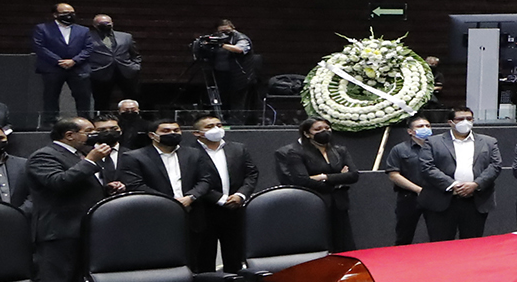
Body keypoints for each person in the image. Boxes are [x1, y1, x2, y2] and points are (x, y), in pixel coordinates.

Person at [26, 118, 110, 282]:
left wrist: (107, 189)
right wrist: (90, 161)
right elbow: (58, 182)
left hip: (84, 230)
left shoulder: (79, 154)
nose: (94, 135)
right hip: (59, 231)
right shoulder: (44, 155)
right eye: (89, 131)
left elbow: (81, 186)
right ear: (70, 135)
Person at [274, 117, 358, 251]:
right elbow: (302, 180)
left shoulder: (339, 150)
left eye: (327, 128)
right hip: (314, 202)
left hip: (339, 203)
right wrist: (338, 178)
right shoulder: (296, 152)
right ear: (307, 134)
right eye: (318, 129)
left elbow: (353, 175)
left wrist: (323, 177)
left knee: (343, 244)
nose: (324, 131)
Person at [189, 116, 258, 272]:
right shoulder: (189, 153)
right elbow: (192, 181)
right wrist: (220, 199)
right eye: (209, 126)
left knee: (235, 255)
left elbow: (251, 174)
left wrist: (241, 195)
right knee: (204, 256)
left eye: (219, 125)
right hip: (204, 211)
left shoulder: (238, 148)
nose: (216, 129)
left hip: (235, 208)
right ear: (197, 133)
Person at [423, 107, 500, 240]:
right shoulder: (433, 142)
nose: (465, 122)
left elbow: (495, 165)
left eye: (469, 119)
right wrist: (453, 185)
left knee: (472, 244)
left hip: (475, 200)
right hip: (443, 200)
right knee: (441, 244)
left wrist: (476, 184)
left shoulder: (489, 142)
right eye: (460, 119)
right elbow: (427, 166)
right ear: (450, 122)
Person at [119, 118, 218, 219]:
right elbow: (135, 185)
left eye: (176, 130)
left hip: (191, 210)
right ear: (152, 135)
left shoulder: (194, 153)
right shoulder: (134, 157)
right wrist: (169, 201)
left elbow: (205, 179)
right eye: (166, 131)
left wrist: (191, 197)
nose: (172, 133)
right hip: (154, 212)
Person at [31, 2, 93, 122]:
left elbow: (88, 48)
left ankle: (84, 120)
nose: (69, 15)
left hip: (78, 68)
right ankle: (51, 121)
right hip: (52, 68)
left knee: (83, 96)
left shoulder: (83, 30)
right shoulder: (42, 28)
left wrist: (74, 61)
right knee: (51, 96)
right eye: (65, 13)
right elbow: (39, 47)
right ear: (55, 15)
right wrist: (58, 61)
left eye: (72, 13)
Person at [384, 116, 438, 246]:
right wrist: (418, 190)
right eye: (420, 126)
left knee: (438, 236)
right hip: (409, 197)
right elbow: (393, 175)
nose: (425, 128)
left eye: (427, 126)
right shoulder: (400, 149)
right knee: (404, 236)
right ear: (410, 131)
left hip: (436, 197)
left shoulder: (439, 147)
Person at [195, 19, 256, 120]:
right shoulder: (215, 37)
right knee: (221, 98)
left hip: (239, 75)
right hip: (220, 74)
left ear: (233, 28)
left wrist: (221, 45)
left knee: (237, 100)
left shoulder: (241, 38)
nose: (224, 34)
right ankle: (221, 119)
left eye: (227, 31)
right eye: (221, 31)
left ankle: (236, 122)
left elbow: (239, 49)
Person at [83, 15, 141, 111]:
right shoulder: (87, 37)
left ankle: (135, 115)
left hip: (125, 71)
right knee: (101, 100)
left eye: (107, 23)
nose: (105, 25)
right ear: (94, 25)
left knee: (133, 96)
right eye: (101, 23)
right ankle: (102, 118)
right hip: (100, 72)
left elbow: (135, 54)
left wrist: (135, 66)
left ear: (112, 23)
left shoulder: (126, 36)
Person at [83, 118, 130, 201]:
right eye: (102, 130)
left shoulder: (131, 154)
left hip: (126, 200)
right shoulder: (83, 154)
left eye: (113, 128)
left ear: (120, 130)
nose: (108, 132)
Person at [0, 120, 27, 210]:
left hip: (21, 215)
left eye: (0, 138)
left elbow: (33, 194)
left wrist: (20, 212)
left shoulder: (23, 164)